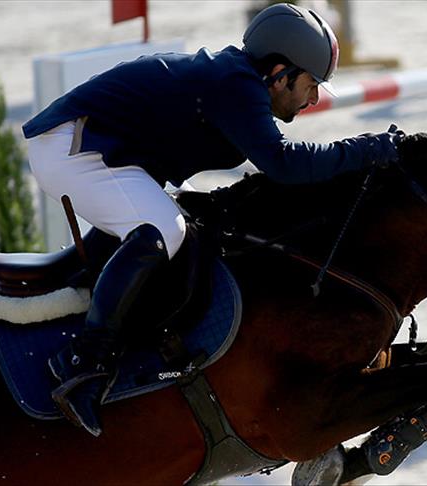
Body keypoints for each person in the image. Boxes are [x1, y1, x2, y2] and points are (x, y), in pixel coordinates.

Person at [22, 2, 403, 437]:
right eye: (311, 84)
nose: (314, 98)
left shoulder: (239, 80)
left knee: (185, 225)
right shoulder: (236, 85)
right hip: (72, 150)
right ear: (280, 74)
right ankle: (83, 367)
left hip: (101, 153)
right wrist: (367, 149)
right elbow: (285, 164)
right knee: (163, 230)